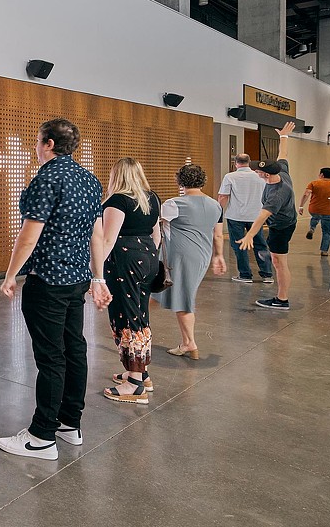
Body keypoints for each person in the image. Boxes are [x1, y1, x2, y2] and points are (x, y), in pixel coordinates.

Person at [0, 118, 111, 461]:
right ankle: (69, 423)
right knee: (74, 349)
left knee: (50, 357)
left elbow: (29, 235)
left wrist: (10, 274)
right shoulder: (89, 180)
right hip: (76, 280)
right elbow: (97, 234)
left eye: (37, 140)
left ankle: (41, 436)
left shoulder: (47, 179)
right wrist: (98, 276)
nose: (35, 146)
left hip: (47, 281)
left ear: (48, 144)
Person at [100, 158, 161, 405]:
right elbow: (157, 234)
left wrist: (93, 273)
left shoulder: (117, 201)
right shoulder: (152, 198)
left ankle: (134, 384)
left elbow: (107, 240)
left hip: (124, 261)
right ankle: (140, 373)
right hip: (147, 257)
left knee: (126, 317)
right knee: (139, 314)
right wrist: (148, 258)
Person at [152, 164, 226, 360]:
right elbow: (218, 235)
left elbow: (156, 229)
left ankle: (190, 343)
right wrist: (218, 256)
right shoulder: (215, 205)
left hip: (180, 256)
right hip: (202, 255)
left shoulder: (173, 204)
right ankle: (185, 342)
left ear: (180, 181)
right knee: (170, 293)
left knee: (183, 298)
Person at [237, 121, 298, 310]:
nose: (255, 172)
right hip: (282, 224)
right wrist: (284, 136)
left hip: (281, 227)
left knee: (279, 262)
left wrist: (249, 235)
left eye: (257, 171)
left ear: (265, 175)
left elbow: (262, 216)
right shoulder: (281, 171)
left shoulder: (276, 193)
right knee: (277, 260)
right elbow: (283, 154)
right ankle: (281, 297)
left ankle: (282, 299)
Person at [217, 153, 274, 283]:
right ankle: (267, 274)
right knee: (260, 244)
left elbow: (223, 197)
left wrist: (218, 213)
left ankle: (245, 275)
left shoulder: (230, 176)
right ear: (249, 162)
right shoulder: (260, 176)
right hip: (256, 216)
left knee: (239, 245)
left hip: (235, 216)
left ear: (235, 163)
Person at [298, 167, 330, 256]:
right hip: (329, 211)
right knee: (326, 232)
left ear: (322, 175)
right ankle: (324, 251)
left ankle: (312, 228)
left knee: (315, 217)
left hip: (314, 209)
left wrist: (301, 206)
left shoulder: (314, 183)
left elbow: (306, 194)